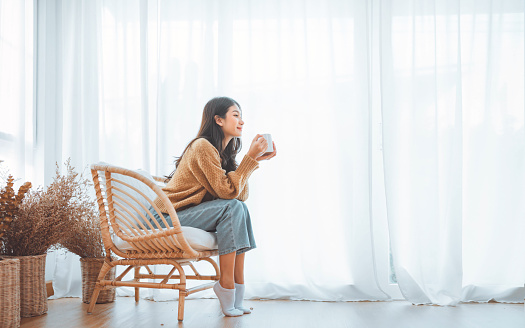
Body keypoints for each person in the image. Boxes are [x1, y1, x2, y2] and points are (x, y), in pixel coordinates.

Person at [150, 96, 277, 317]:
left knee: (239, 209)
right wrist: (249, 158)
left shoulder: (222, 155)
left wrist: (253, 162)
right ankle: (226, 285)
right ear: (218, 120)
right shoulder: (202, 146)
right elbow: (228, 194)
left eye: (241, 116)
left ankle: (236, 290)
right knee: (233, 208)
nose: (242, 122)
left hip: (182, 215)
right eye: (236, 115)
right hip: (164, 217)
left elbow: (239, 196)